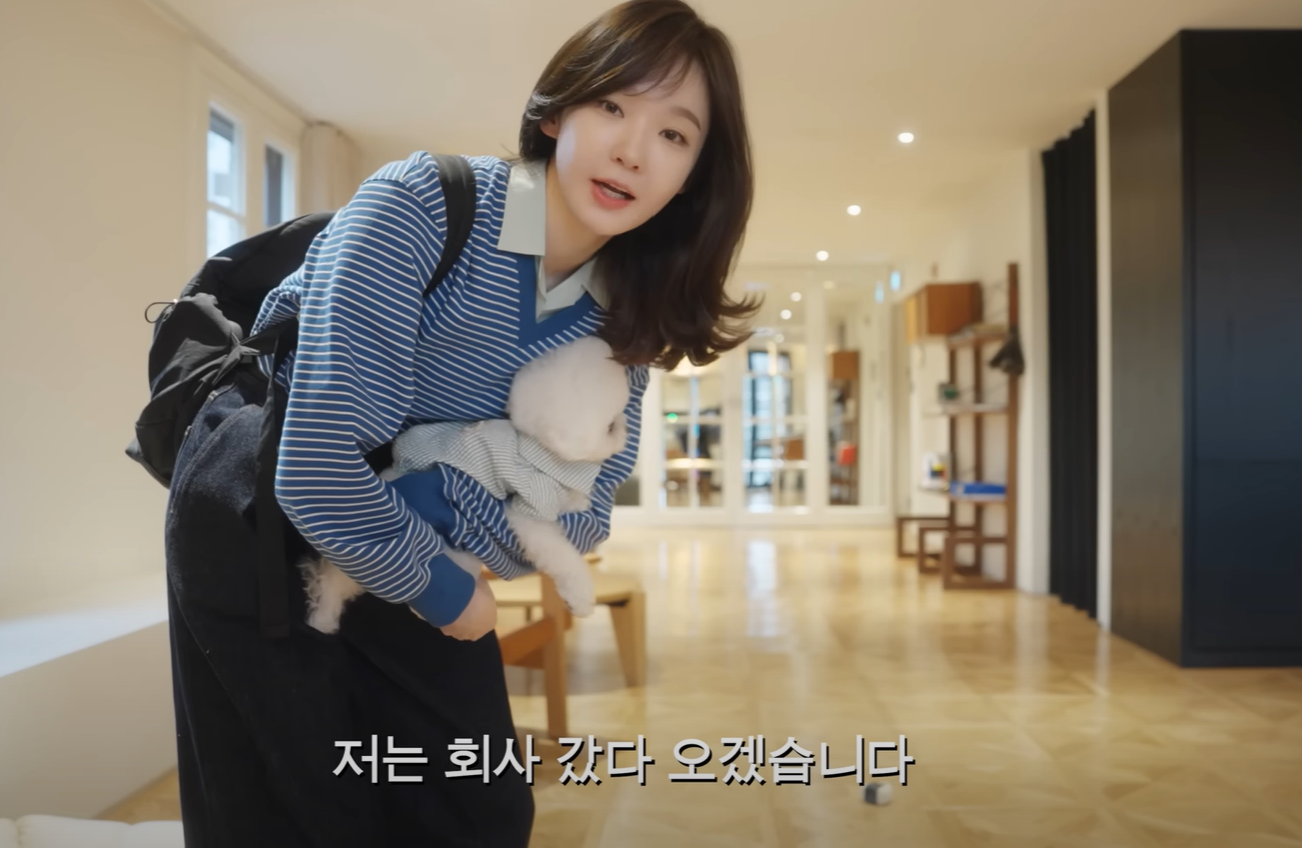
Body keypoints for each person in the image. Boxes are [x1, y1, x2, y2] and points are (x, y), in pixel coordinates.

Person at [162, 1, 757, 845]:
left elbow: (581, 516)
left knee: (480, 812)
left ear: (694, 174)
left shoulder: (625, 310)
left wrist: (439, 498)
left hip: (407, 542)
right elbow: (319, 471)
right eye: (612, 105)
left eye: (674, 134)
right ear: (557, 113)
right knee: (297, 817)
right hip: (259, 524)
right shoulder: (422, 206)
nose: (633, 149)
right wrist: (451, 574)